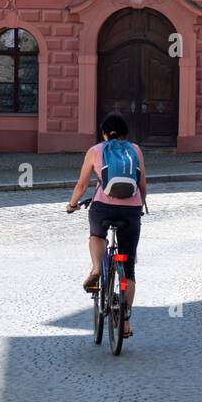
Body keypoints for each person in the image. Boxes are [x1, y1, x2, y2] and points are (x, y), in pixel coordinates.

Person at [67, 113, 146, 339]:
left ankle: (96, 269)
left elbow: (82, 184)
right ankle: (125, 321)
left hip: (103, 208)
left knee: (96, 235)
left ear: (103, 133)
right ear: (125, 133)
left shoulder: (95, 151)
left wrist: (72, 204)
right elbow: (142, 185)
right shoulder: (136, 150)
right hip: (131, 210)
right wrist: (140, 205)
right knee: (128, 268)